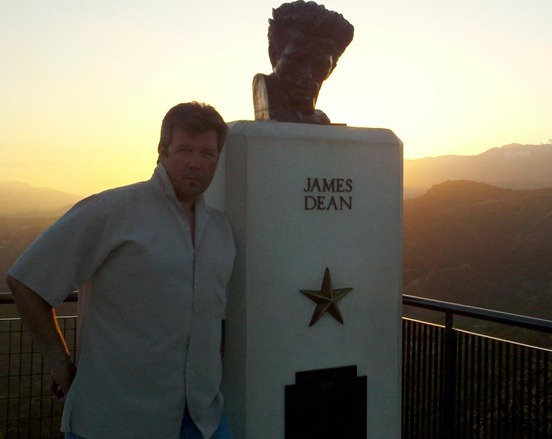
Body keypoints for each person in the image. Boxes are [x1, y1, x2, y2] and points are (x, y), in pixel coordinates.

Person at [6, 102, 236, 439]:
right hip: (116, 419)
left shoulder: (220, 230)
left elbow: (216, 317)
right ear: (162, 151)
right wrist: (61, 364)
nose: (195, 163)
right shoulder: (114, 210)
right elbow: (27, 280)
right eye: (184, 150)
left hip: (203, 419)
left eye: (207, 153)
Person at [253, 0, 354, 125]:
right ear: (274, 55)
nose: (307, 75)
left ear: (332, 68)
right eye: (297, 60)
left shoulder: (319, 119)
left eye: (319, 65)